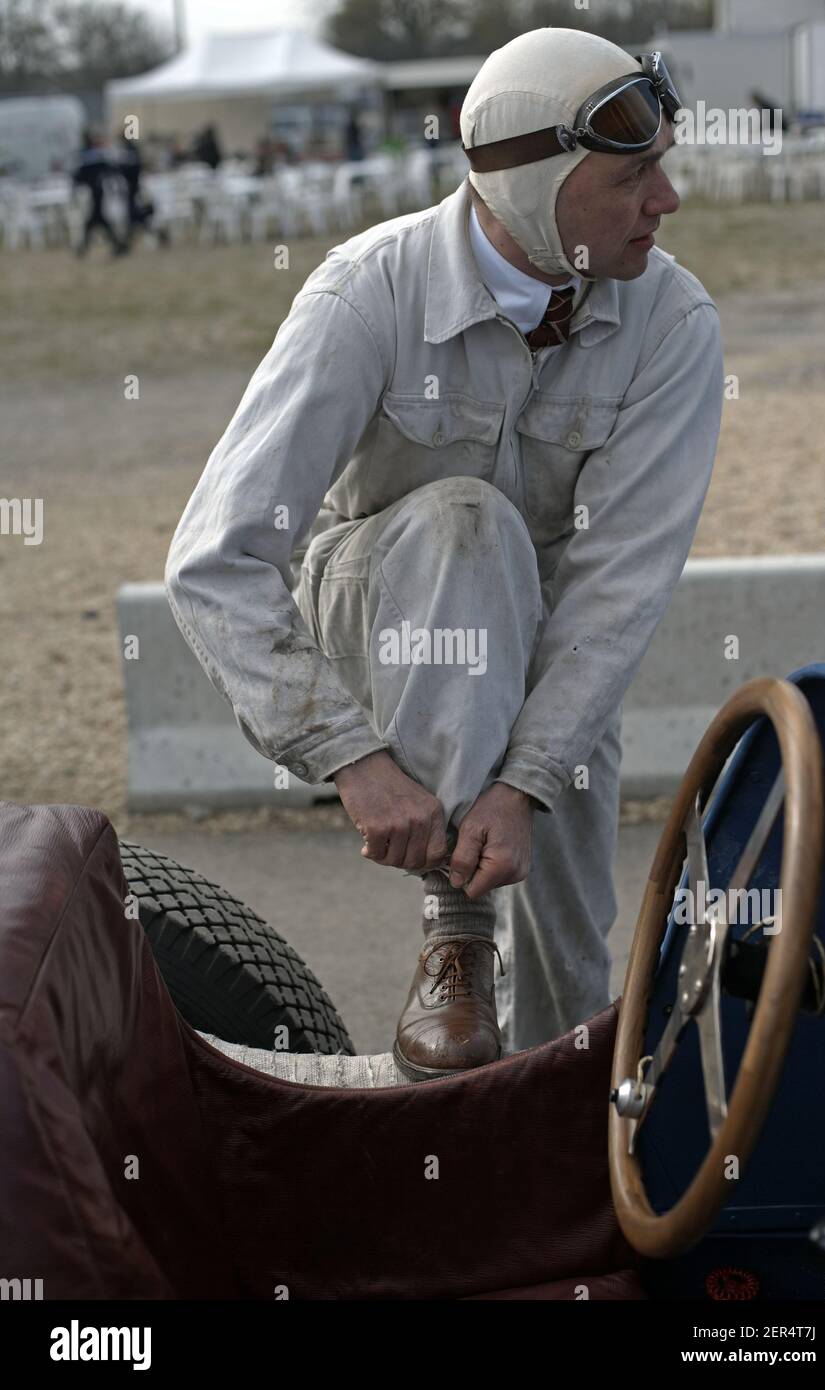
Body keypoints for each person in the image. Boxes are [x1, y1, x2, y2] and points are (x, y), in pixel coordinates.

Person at [165, 29, 724, 1081]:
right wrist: (349, 756)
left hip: (556, 661)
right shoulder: (364, 294)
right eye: (633, 174)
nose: (667, 201)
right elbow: (215, 558)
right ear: (536, 192)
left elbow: (618, 590)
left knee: (573, 991)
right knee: (463, 521)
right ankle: (455, 933)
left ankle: (556, 1162)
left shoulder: (673, 323)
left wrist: (525, 780)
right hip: (380, 616)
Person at [71, 131, 128, 257]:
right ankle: (117, 245)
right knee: (97, 220)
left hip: (94, 193)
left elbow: (78, 177)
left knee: (94, 220)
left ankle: (83, 248)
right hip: (98, 191)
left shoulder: (86, 157)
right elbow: (111, 169)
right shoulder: (97, 155)